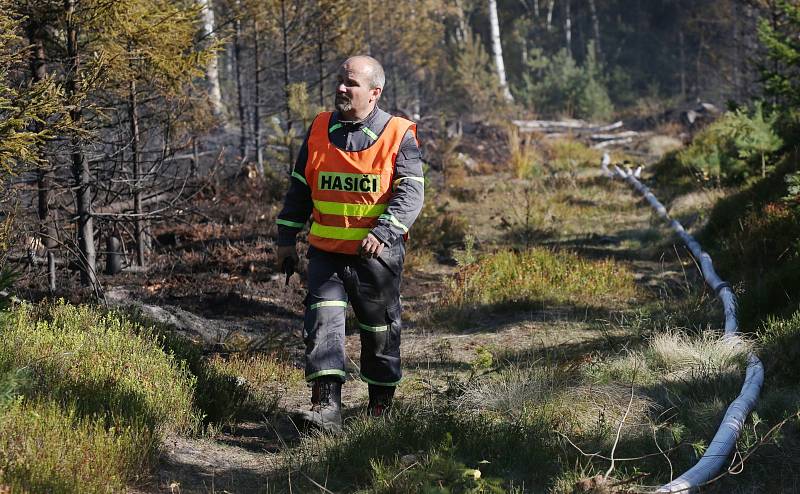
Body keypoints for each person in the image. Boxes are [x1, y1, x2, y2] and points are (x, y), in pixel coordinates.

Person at [275, 55, 424, 433]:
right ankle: (326, 409)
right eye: (340, 81)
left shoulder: (398, 134)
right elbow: (299, 188)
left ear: (375, 93)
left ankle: (380, 410)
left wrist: (383, 232)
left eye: (351, 84)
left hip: (377, 257)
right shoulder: (319, 128)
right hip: (325, 253)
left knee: (379, 332)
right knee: (323, 323)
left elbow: (412, 195)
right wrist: (286, 239)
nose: (342, 88)